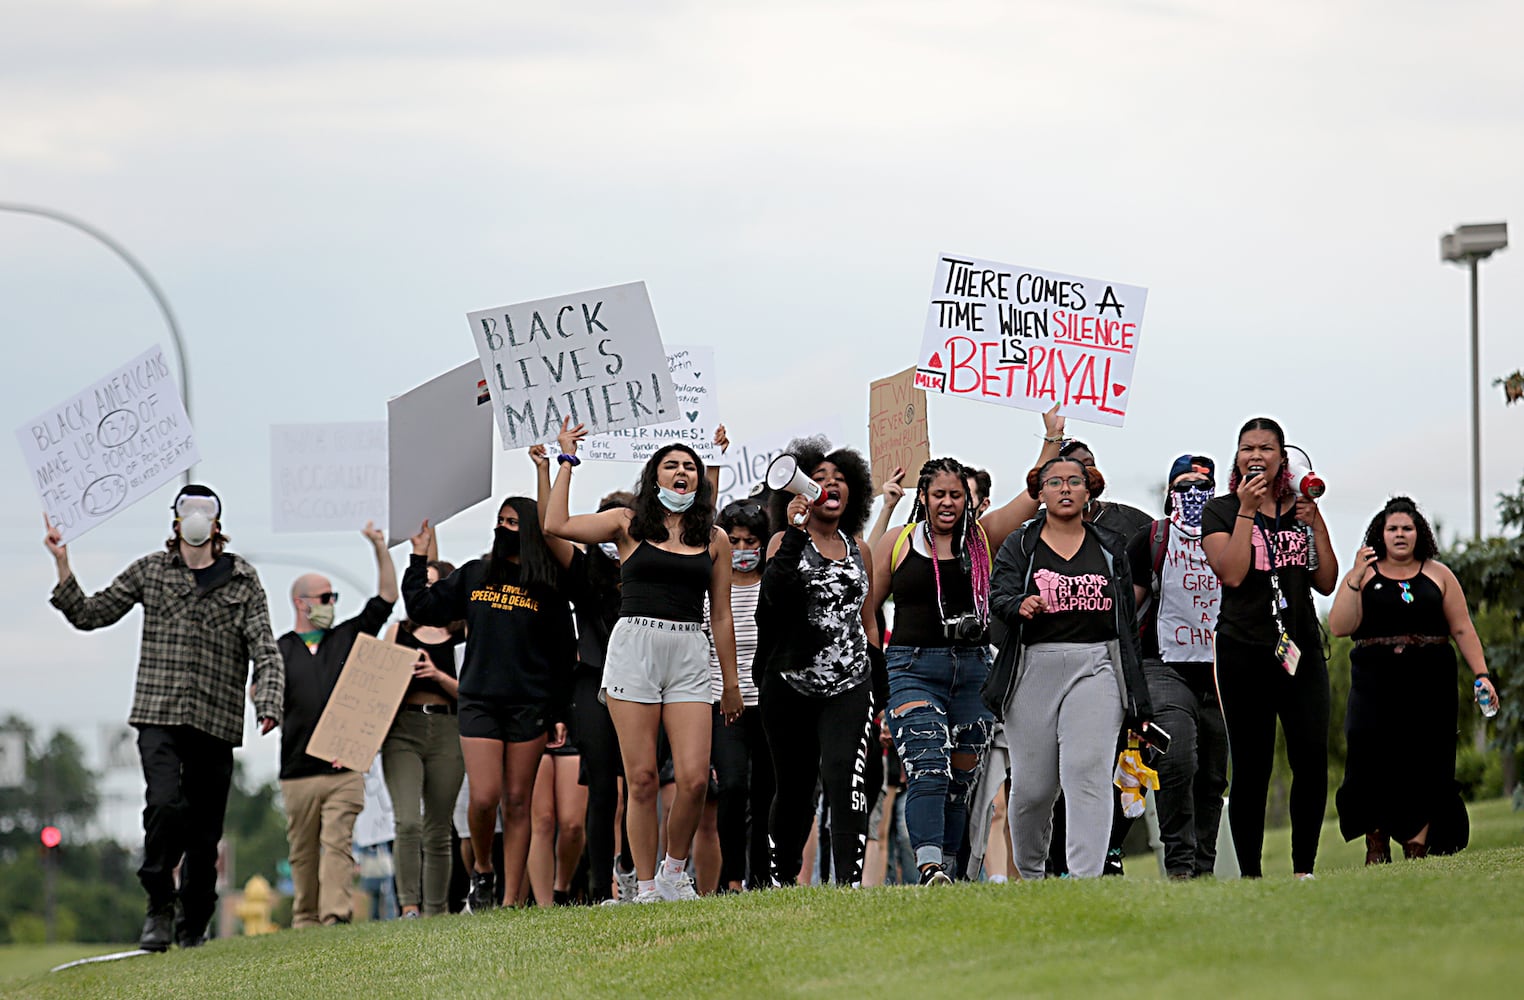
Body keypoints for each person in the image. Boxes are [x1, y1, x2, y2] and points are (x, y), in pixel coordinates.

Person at [44, 485, 283, 951]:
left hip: (215, 721)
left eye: (205, 512)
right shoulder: (151, 571)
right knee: (164, 805)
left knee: (204, 834)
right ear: (175, 522)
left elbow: (265, 647)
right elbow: (91, 613)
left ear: (217, 524)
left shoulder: (243, 580)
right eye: (187, 511)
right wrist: (62, 562)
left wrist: (269, 702)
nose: (195, 519)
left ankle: (193, 922)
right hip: (158, 714)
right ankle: (158, 904)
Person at [544, 421, 742, 903]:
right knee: (643, 778)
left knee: (695, 778)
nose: (682, 472)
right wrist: (566, 462)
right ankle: (647, 886)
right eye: (671, 465)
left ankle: (676, 872)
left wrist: (731, 682)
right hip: (635, 649)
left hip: (690, 652)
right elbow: (555, 525)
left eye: (690, 466)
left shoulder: (714, 537)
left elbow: (720, 615)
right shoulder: (626, 523)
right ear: (654, 478)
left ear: (699, 480)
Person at [401, 490, 579, 912]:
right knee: (484, 797)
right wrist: (418, 557)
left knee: (518, 801)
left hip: (529, 704)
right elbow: (423, 607)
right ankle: (483, 869)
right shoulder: (473, 574)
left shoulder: (547, 584)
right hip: (479, 700)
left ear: (531, 532)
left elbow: (561, 652)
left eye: (514, 523)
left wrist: (558, 712)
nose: (504, 528)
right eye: (501, 520)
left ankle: (510, 900)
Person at [984, 456, 1154, 879]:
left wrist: (1138, 696)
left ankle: (1085, 879)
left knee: (1087, 772)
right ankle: (1032, 871)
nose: (1064, 489)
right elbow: (998, 595)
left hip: (1096, 666)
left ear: (1088, 490)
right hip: (1033, 668)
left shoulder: (1110, 546)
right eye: (1054, 482)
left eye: (1074, 481)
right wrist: (1018, 604)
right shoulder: (1021, 544)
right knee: (1034, 789)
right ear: (1039, 493)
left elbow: (1126, 627)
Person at [869, 456, 1036, 884]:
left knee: (961, 780)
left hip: (973, 672)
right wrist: (877, 686)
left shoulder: (982, 538)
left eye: (956, 495)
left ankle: (949, 871)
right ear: (922, 498)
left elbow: (1032, 495)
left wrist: (1051, 438)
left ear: (968, 500)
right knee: (928, 766)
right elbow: (867, 607)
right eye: (939, 494)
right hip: (912, 668)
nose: (947, 502)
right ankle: (928, 867)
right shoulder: (898, 540)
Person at [1200, 417, 1337, 879]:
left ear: (1284, 457)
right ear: (1236, 458)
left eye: (1265, 447)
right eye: (1246, 448)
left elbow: (1326, 580)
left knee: (1310, 758)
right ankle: (1252, 876)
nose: (1255, 455)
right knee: (1253, 767)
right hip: (1243, 651)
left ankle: (1304, 870)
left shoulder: (1301, 507)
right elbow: (1233, 574)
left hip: (1301, 651)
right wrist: (1245, 511)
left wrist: (1315, 525)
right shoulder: (1219, 510)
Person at [1330, 497, 1496, 862]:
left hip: (1430, 684)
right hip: (1374, 684)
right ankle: (1376, 842)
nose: (1400, 535)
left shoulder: (1439, 574)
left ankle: (1417, 846)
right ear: (1380, 534)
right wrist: (1355, 577)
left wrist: (1481, 675)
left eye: (1407, 528)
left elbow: (1463, 629)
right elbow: (1340, 626)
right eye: (1393, 529)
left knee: (1427, 761)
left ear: (1419, 533)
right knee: (1368, 757)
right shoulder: (1365, 574)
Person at [757, 437, 879, 886]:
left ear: (854, 494)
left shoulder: (859, 550)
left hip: (849, 683)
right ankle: (782, 879)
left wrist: (876, 682)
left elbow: (868, 622)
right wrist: (792, 532)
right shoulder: (781, 543)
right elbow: (774, 595)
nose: (829, 486)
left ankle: (848, 883)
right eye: (819, 479)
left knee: (845, 775)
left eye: (840, 480)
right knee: (793, 788)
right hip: (789, 684)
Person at [276, 522, 397, 927]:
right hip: (296, 769)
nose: (332, 603)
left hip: (343, 766)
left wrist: (379, 547)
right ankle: (305, 917)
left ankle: (335, 915)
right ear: (301, 602)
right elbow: (262, 690)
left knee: (338, 843)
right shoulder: (279, 650)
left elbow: (385, 599)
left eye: (334, 596)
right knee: (303, 850)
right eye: (325, 597)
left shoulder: (346, 636)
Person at [1128, 455, 1228, 879]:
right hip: (1164, 666)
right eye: (1184, 486)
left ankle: (1204, 866)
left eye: (1203, 485)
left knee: (1213, 776)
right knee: (1178, 760)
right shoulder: (1149, 540)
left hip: (1222, 673)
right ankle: (1180, 866)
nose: (1193, 494)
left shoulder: (1233, 537)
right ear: (1170, 492)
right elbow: (1127, 612)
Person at [382, 558, 465, 918]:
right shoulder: (396, 632)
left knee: (439, 826)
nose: (426, 593)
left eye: (433, 585)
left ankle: (436, 910)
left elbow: (474, 693)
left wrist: (436, 675)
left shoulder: (465, 633)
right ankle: (409, 907)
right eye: (420, 586)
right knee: (408, 822)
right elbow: (374, 690)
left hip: (449, 729)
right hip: (403, 730)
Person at [706, 497, 773, 891]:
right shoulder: (709, 587)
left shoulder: (771, 585)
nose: (743, 550)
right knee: (731, 786)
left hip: (768, 704)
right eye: (735, 541)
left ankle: (762, 875)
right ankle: (731, 875)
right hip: (722, 702)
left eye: (751, 541)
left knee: (766, 790)